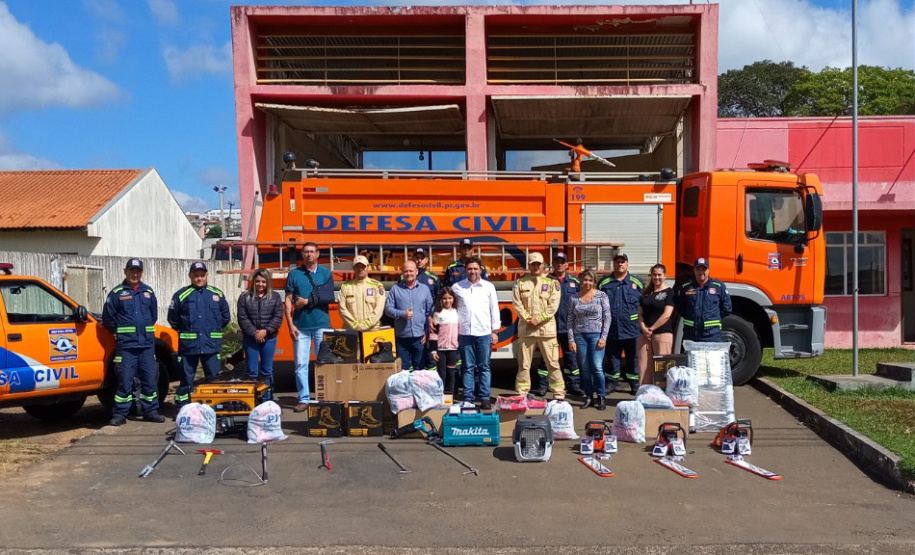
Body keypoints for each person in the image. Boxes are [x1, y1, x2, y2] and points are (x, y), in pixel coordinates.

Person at [102, 258, 164, 425]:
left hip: (146, 345)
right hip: (126, 346)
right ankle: (121, 414)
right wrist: (120, 333)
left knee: (150, 380)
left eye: (138, 271)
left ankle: (151, 411)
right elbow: (108, 319)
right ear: (125, 271)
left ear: (141, 272)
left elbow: (153, 316)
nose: (134, 274)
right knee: (124, 381)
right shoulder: (116, 294)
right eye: (131, 271)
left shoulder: (148, 292)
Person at [168, 261, 232, 408]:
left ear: (207, 276)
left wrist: (212, 330)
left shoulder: (217, 294)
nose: (199, 278)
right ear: (190, 276)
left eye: (202, 275)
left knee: (214, 379)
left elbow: (225, 317)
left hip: (211, 346)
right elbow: (173, 318)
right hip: (189, 347)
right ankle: (183, 407)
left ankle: (214, 407)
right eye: (196, 275)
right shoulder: (181, 295)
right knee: (186, 379)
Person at [285, 241, 335, 412]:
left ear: (318, 254)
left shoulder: (326, 273)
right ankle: (304, 399)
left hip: (322, 324)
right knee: (300, 364)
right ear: (302, 254)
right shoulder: (294, 274)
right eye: (306, 252)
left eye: (312, 251)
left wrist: (306, 301)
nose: (309, 254)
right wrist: (290, 324)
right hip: (301, 326)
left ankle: (325, 396)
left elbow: (329, 297)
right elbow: (288, 300)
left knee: (325, 363)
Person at [512, 252, 565, 401]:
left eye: (538, 264)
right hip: (527, 331)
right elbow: (517, 304)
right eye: (532, 264)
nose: (536, 266)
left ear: (543, 265)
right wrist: (529, 319)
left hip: (546, 331)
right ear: (528, 265)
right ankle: (522, 393)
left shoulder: (552, 283)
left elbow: (553, 305)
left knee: (553, 364)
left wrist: (539, 318)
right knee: (523, 365)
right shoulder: (520, 283)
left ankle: (558, 393)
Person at [452, 257, 500, 409]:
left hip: (484, 332)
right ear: (465, 270)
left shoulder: (488, 287)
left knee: (484, 366)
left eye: (475, 268)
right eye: (469, 269)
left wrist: (495, 331)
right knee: (467, 367)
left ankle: (485, 397)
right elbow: (451, 309)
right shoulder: (457, 287)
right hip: (465, 332)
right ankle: (468, 397)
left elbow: (494, 309)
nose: (472, 271)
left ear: (481, 270)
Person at [598, 253, 643, 395]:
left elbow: (645, 304)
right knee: (612, 358)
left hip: (632, 329)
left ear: (627, 264)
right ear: (613, 264)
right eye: (617, 262)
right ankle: (611, 383)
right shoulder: (604, 284)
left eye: (623, 262)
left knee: (633, 358)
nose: (620, 264)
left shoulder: (638, 283)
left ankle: (634, 384)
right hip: (612, 329)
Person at [567, 270, 611, 410]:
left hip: (596, 336)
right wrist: (571, 340)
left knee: (597, 367)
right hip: (580, 337)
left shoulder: (601, 296)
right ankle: (588, 397)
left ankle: (601, 396)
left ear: (594, 281)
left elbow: (607, 317)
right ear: (581, 280)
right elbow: (570, 320)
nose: (587, 283)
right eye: (585, 280)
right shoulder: (574, 298)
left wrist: (603, 337)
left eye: (590, 280)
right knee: (584, 369)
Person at [237, 268, 284, 400]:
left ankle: (267, 400)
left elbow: (278, 317)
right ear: (253, 282)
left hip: (269, 338)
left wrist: (265, 331)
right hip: (250, 339)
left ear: (268, 282)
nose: (260, 284)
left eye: (263, 281)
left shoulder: (275, 297)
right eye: (257, 281)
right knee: (252, 371)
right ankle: (252, 401)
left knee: (267, 371)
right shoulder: (245, 297)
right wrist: (255, 333)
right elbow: (242, 318)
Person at [544, 250, 585, 397]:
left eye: (562, 262)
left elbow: (584, 301)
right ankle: (544, 385)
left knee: (570, 358)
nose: (559, 265)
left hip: (569, 328)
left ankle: (573, 385)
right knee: (547, 358)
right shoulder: (546, 281)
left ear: (567, 265)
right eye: (557, 262)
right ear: (553, 264)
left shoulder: (575, 282)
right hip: (550, 326)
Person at [385, 261, 434, 371]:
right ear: (402, 273)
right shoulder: (395, 289)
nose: (408, 273)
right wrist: (402, 314)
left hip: (420, 337)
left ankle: (418, 388)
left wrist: (427, 332)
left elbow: (429, 312)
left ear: (416, 272)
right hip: (402, 337)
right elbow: (388, 309)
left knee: (419, 369)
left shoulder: (424, 289)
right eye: (406, 271)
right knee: (403, 369)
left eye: (411, 271)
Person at [675, 257, 732, 342]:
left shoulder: (718, 286)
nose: (701, 272)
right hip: (691, 334)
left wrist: (712, 317)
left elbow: (727, 308)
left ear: (708, 270)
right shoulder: (686, 287)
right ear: (694, 270)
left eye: (704, 269)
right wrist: (692, 316)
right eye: (698, 269)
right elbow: (680, 306)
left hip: (712, 335)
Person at [637, 263, 675, 384]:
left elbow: (667, 314)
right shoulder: (646, 293)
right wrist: (644, 328)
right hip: (644, 336)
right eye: (654, 274)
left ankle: (661, 397)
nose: (656, 277)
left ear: (665, 276)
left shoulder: (669, 292)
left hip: (662, 334)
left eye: (659, 275)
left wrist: (651, 329)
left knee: (661, 370)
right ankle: (644, 395)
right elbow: (640, 314)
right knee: (644, 369)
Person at [338, 255, 386, 331]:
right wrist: (355, 325)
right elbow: (342, 309)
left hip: (372, 330)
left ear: (367, 267)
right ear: (353, 268)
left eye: (363, 266)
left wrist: (365, 325)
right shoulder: (346, 287)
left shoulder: (377, 286)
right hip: (351, 329)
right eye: (357, 266)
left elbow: (379, 309)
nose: (360, 269)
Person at [429, 287, 459, 394]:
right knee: (441, 372)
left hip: (453, 348)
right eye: (445, 298)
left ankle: (450, 391)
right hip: (440, 348)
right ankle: (440, 391)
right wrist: (433, 350)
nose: (448, 301)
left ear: (453, 299)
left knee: (451, 371)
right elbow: (433, 333)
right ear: (441, 299)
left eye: (450, 298)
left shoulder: (457, 313)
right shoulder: (437, 314)